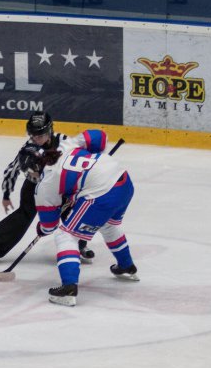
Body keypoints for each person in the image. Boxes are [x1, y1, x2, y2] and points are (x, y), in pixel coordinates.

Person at [33, 130, 138, 307]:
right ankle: (126, 266)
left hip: (102, 193)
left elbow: (49, 225)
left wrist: (41, 229)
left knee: (65, 235)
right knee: (109, 225)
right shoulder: (66, 146)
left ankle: (68, 288)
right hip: (123, 181)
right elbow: (99, 137)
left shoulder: (46, 183)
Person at [0, 112, 94, 266]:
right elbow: (11, 171)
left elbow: (82, 159)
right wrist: (6, 195)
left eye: (40, 135)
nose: (36, 138)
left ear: (50, 131)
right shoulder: (28, 148)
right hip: (35, 186)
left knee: (73, 213)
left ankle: (78, 245)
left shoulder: (65, 142)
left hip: (61, 184)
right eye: (32, 135)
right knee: (25, 213)